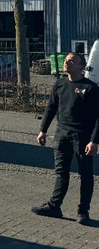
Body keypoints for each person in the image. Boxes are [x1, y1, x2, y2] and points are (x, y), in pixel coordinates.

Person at [32, 52, 99, 225]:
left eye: (72, 61)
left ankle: (83, 211)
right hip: (62, 135)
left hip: (82, 137)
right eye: (67, 60)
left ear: (81, 67)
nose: (67, 63)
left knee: (85, 174)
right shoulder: (60, 84)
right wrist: (43, 130)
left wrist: (94, 141)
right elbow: (51, 108)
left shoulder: (91, 88)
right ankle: (55, 206)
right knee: (61, 172)